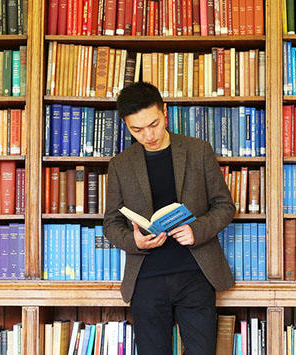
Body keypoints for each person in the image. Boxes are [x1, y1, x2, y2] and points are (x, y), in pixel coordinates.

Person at [103, 82, 236, 355]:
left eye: (153, 124)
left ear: (165, 112)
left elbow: (224, 206)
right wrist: (135, 241)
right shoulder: (120, 164)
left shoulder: (198, 151)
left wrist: (196, 230)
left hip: (196, 273)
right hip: (146, 277)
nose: (148, 135)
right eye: (136, 130)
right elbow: (111, 224)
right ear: (126, 125)